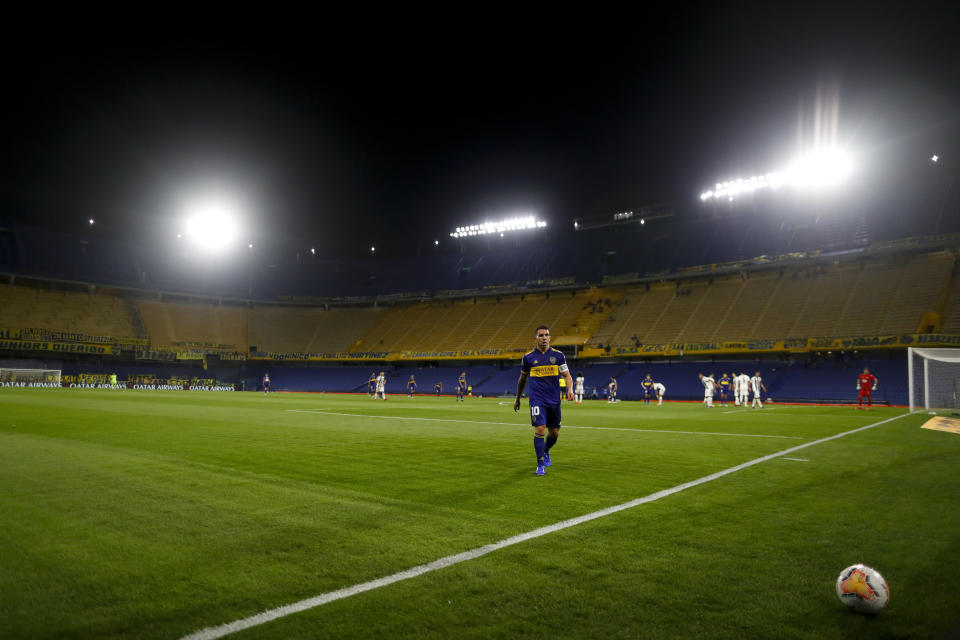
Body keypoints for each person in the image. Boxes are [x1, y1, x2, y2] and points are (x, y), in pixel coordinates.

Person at [513, 325, 575, 476]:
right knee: (540, 428)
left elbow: (567, 375)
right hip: (537, 399)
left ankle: (546, 450)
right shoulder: (528, 358)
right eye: (541, 335)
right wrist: (518, 398)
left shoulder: (558, 356)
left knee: (555, 433)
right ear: (535, 339)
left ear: (550, 337)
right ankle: (540, 464)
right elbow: (522, 379)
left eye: (546, 335)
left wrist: (570, 389)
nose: (544, 338)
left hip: (554, 400)